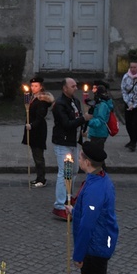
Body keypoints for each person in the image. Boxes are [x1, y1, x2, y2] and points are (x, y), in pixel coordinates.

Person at [65, 141, 118, 274]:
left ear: (87, 162)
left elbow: (87, 226)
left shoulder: (94, 189)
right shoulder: (99, 179)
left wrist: (78, 256)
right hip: (100, 242)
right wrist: (75, 211)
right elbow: (92, 212)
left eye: (80, 156)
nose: (78, 159)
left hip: (94, 248)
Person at [51, 78, 92, 220]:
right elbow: (67, 124)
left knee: (74, 170)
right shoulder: (60, 105)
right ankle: (60, 205)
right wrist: (83, 119)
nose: (76, 88)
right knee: (64, 173)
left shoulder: (75, 101)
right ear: (64, 88)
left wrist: (83, 129)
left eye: (76, 85)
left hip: (73, 142)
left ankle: (68, 197)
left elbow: (78, 118)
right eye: (72, 86)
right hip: (63, 143)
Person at [22, 76, 55, 188]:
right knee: (35, 154)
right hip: (31, 127)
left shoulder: (42, 100)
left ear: (41, 87)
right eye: (32, 86)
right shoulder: (33, 97)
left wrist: (31, 125)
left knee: (38, 155)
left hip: (38, 129)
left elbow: (40, 116)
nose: (33, 88)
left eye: (36, 86)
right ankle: (38, 177)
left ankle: (42, 178)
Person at [85, 84, 114, 153]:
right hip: (96, 133)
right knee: (96, 154)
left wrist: (88, 122)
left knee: (96, 155)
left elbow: (100, 120)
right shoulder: (99, 103)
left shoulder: (102, 105)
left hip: (99, 133)